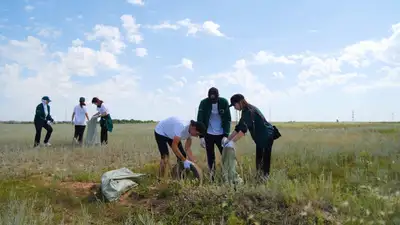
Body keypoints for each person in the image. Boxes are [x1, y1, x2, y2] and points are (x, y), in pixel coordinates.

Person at [223, 94, 281, 181]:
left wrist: (232, 142)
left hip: (266, 136)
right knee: (259, 160)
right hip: (260, 138)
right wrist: (228, 139)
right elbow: (239, 127)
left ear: (239, 102)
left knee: (264, 161)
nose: (234, 108)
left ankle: (264, 179)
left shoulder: (249, 111)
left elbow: (242, 132)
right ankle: (259, 178)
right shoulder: (245, 110)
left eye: (234, 105)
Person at [196, 87, 231, 180]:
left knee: (225, 155)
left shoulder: (224, 102)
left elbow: (228, 119)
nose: (213, 102)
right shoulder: (203, 103)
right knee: (210, 156)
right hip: (208, 134)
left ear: (218, 96)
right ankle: (212, 176)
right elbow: (200, 119)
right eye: (211, 100)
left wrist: (225, 135)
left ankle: (227, 175)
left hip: (221, 134)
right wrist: (201, 136)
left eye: (215, 100)